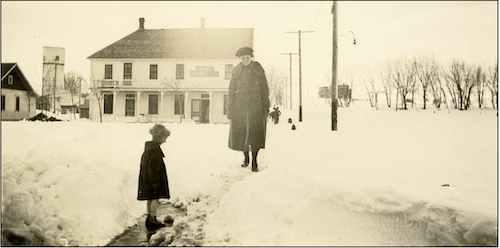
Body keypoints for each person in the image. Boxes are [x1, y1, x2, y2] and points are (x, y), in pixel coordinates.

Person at [227, 47, 270, 172]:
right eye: (243, 58)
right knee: (242, 133)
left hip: (256, 105)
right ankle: (246, 158)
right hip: (240, 105)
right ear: (240, 59)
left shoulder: (258, 69)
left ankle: (254, 161)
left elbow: (265, 88)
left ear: (251, 58)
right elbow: (231, 89)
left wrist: (265, 106)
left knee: (255, 133)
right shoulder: (236, 70)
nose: (245, 60)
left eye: (247, 58)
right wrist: (230, 106)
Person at [137, 123, 171, 231]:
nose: (165, 141)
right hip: (153, 180)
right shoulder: (154, 150)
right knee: (155, 199)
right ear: (158, 137)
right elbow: (153, 168)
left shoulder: (149, 148)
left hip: (148, 180)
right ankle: (152, 219)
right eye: (164, 138)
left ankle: (149, 218)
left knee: (150, 198)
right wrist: (155, 181)